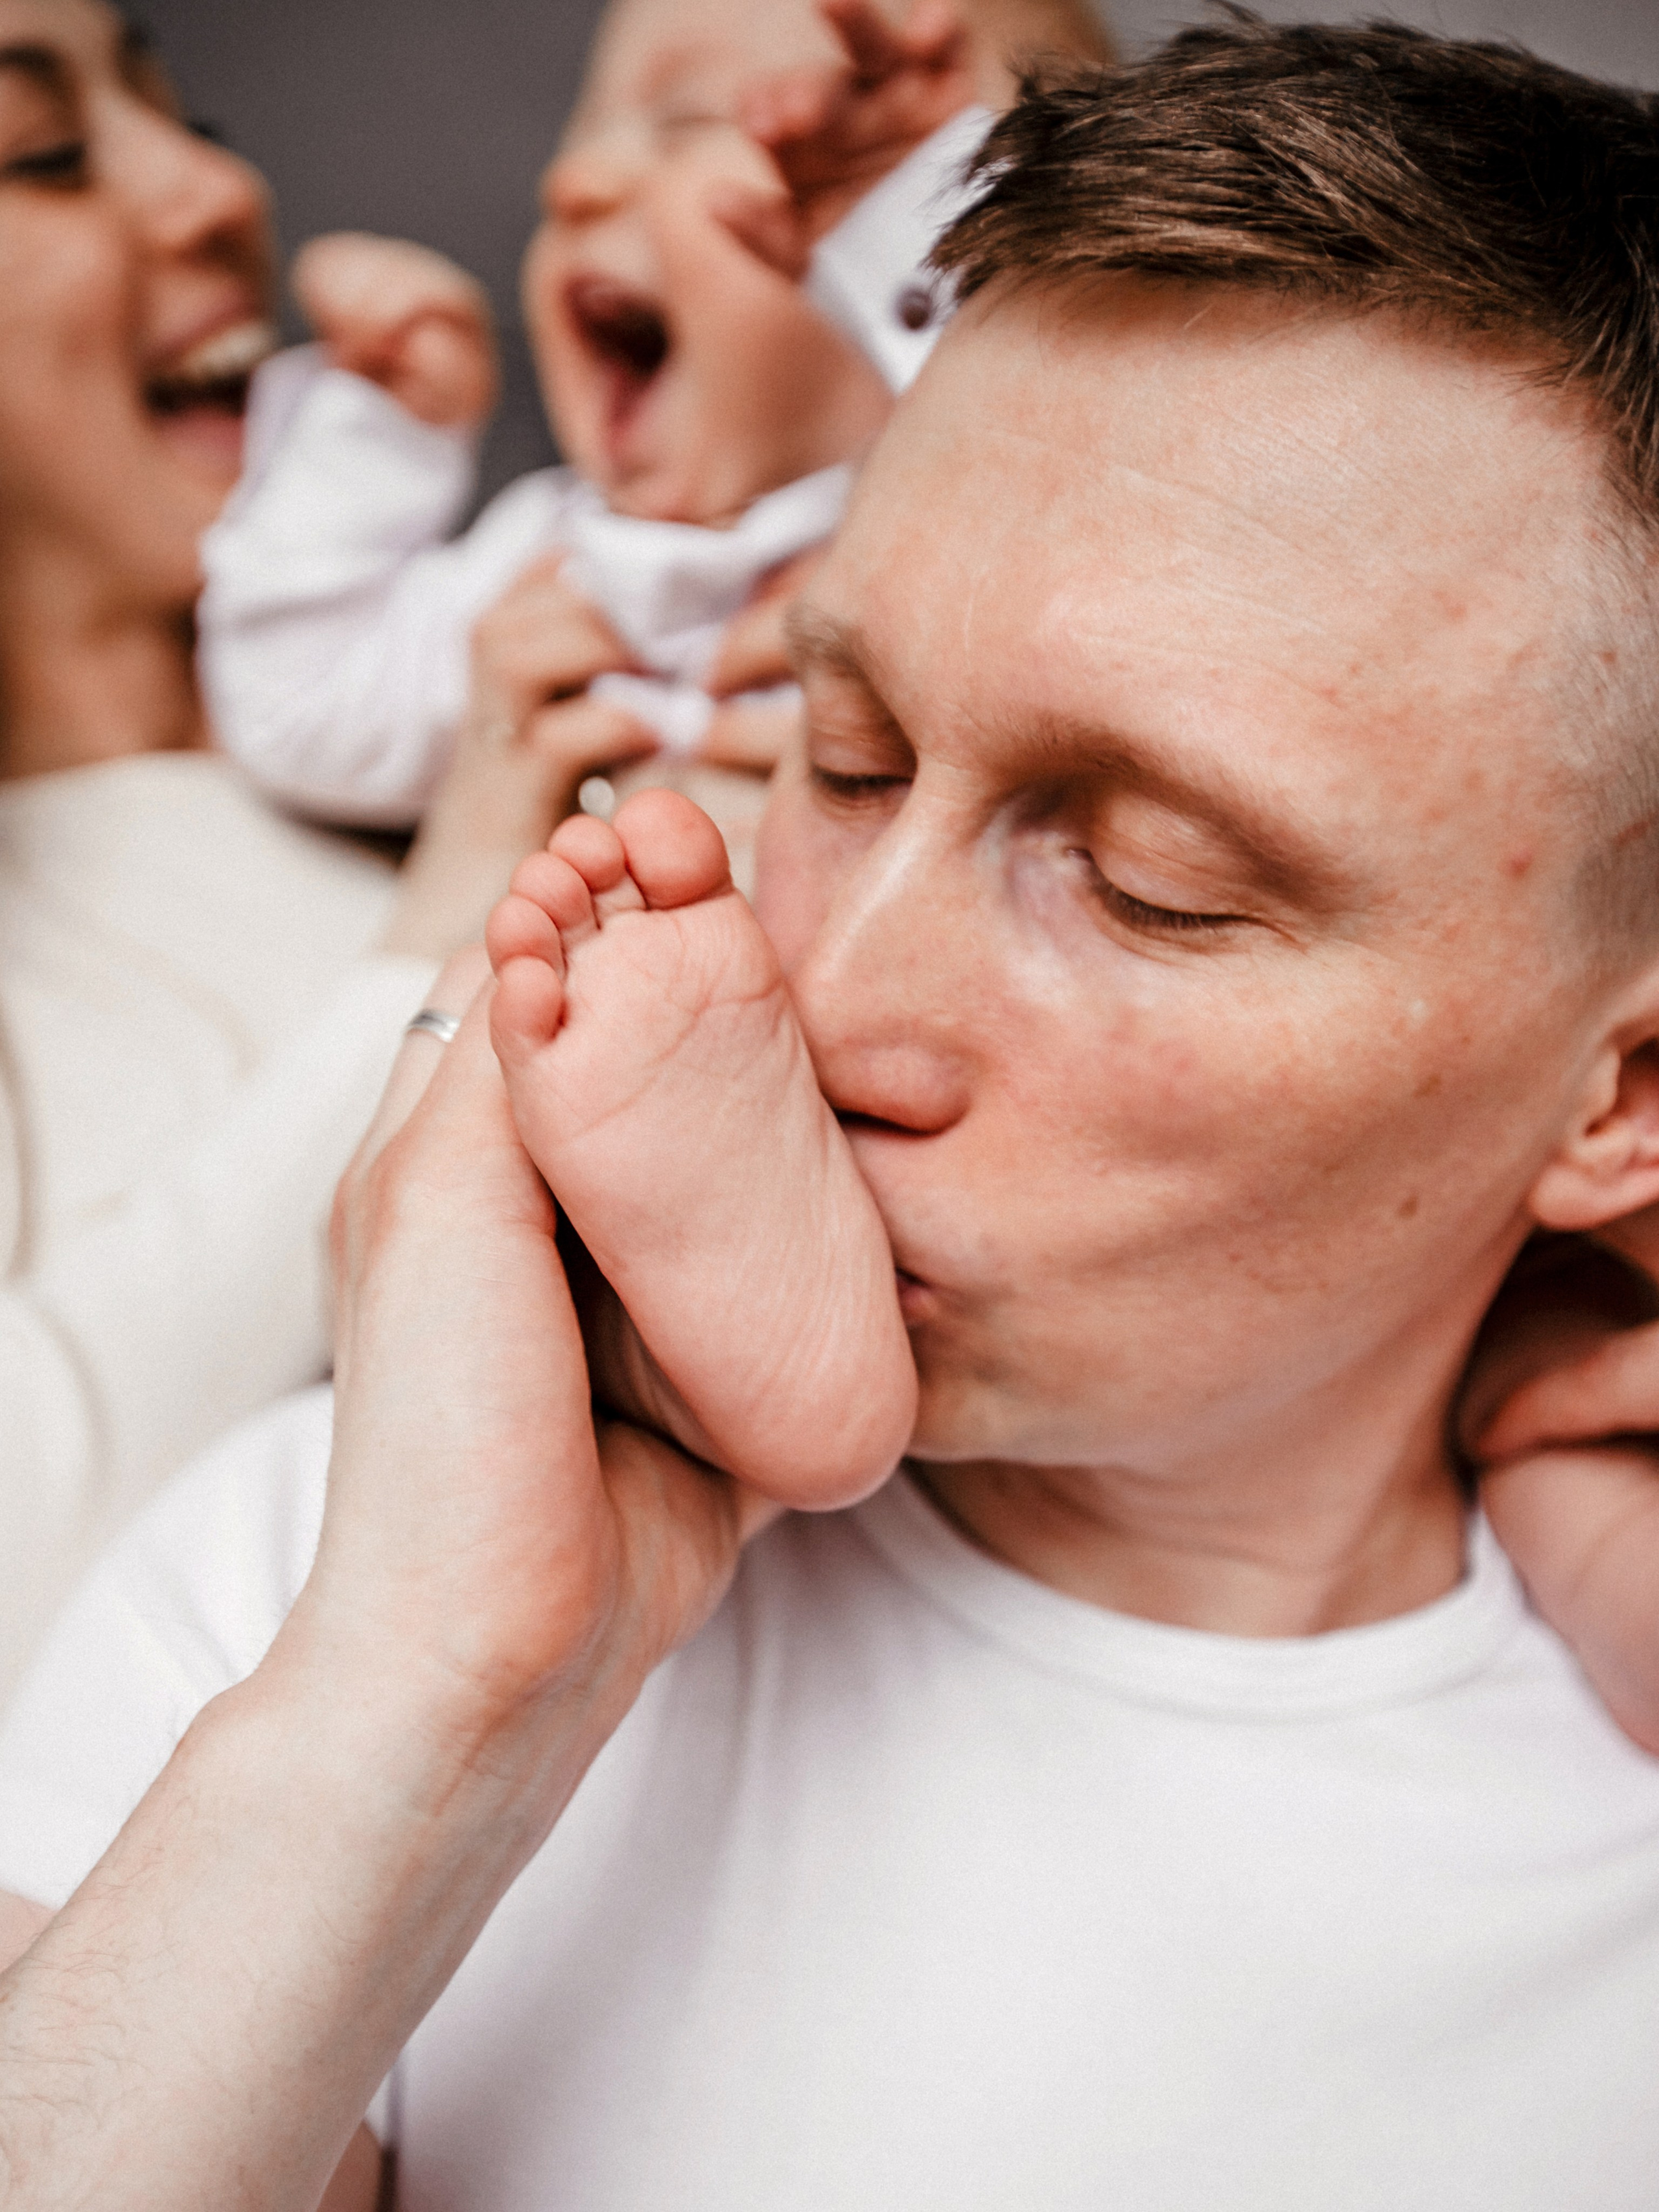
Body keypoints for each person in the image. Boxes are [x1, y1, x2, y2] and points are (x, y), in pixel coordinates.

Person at [11, 17, 1659, 2210]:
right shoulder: (323, 1592)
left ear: (1625, 1092)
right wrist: (425, 1709)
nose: (833, 988)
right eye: (841, 750)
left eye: (1148, 884)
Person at [0, 0, 622, 1697]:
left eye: (170, 105)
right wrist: (447, 924)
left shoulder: (534, 670)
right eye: (36, 152)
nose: (216, 187)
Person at [194, 0, 1113, 868]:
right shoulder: (544, 572)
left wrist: (924, 226)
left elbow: (1047, 419)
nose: (574, 181)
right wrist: (382, 430)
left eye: (689, 124)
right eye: (585, 130)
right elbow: (298, 713)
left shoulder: (960, 557)